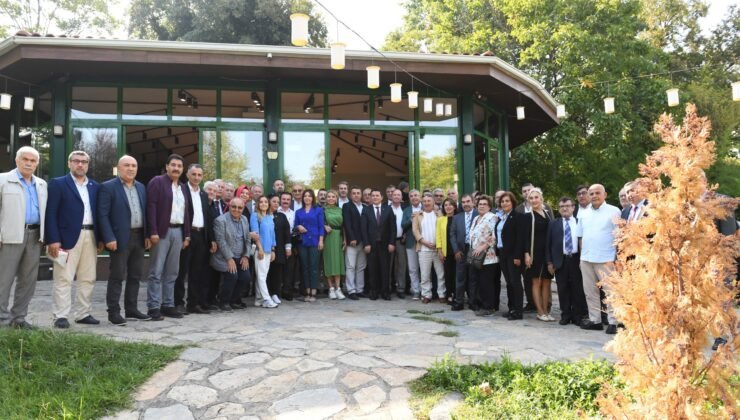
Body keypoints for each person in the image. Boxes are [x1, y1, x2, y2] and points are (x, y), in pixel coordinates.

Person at [46, 150, 102, 328]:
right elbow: (51, 213)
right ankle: (60, 315)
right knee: (64, 277)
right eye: (76, 161)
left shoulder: (95, 186)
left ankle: (83, 313)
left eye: (84, 162)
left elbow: (99, 214)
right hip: (66, 237)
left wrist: (100, 238)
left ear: (88, 165)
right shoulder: (58, 184)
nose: (80, 164)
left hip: (90, 235)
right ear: (69, 163)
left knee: (88, 277)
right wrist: (53, 239)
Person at [98, 155, 152, 325]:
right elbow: (102, 215)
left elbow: (147, 213)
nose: (130, 168)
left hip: (139, 237)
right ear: (119, 168)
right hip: (119, 239)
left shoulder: (141, 187)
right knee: (117, 275)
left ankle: (131, 309)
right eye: (126, 165)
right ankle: (113, 312)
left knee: (136, 275)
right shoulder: (108, 187)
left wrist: (147, 235)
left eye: (134, 165)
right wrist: (108, 237)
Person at [0, 146, 47, 329]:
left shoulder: (41, 184)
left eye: (33, 160)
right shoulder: (3, 180)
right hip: (9, 236)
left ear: (37, 163)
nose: (29, 163)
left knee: (28, 280)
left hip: (35, 236)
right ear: (17, 161)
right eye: (25, 159)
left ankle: (18, 318)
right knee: (4, 279)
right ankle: (2, 319)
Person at [145, 154, 191, 320]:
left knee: (172, 272)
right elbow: (151, 207)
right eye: (173, 165)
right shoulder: (157, 182)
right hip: (161, 232)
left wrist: (187, 234)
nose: (176, 168)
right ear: (167, 167)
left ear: (182, 169)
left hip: (178, 232)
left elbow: (185, 212)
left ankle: (168, 304)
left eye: (179, 166)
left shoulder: (183, 187)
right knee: (156, 271)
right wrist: (153, 231)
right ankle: (153, 306)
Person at [577, 184, 622, 334]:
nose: (594, 196)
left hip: (606, 258)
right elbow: (581, 236)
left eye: (597, 193)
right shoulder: (583, 213)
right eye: (591, 193)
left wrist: (616, 258)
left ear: (605, 195)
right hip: (587, 258)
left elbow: (618, 236)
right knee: (590, 292)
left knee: (610, 292)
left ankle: (613, 322)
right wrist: (582, 257)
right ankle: (595, 320)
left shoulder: (614, 211)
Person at [174, 164, 212, 315]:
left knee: (197, 271)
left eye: (199, 175)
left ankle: (193, 303)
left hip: (201, 235)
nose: (196, 177)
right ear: (188, 175)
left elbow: (207, 217)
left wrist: (210, 239)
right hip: (187, 235)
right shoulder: (182, 190)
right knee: (182, 270)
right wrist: (185, 235)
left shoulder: (203, 194)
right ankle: (178, 303)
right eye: (194, 174)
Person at [546, 196, 588, 326]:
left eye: (568, 206)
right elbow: (548, 244)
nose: (565, 208)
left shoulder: (579, 222)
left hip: (576, 259)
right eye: (562, 207)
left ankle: (577, 315)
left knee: (577, 289)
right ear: (559, 209)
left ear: (573, 208)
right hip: (560, 260)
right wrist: (549, 262)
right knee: (562, 289)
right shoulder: (554, 223)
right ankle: (565, 315)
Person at [211, 197, 251, 311]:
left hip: (240, 256)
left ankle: (234, 300)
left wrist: (246, 256)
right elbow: (221, 241)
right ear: (229, 206)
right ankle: (224, 302)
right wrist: (229, 258)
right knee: (232, 275)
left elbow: (248, 239)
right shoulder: (220, 220)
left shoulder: (244, 219)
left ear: (243, 209)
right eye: (234, 207)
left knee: (246, 277)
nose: (236, 210)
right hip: (224, 257)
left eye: (240, 208)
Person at [522, 188, 555, 322]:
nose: (534, 200)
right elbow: (525, 237)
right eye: (531, 198)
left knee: (547, 282)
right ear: (528, 201)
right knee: (536, 282)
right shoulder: (528, 216)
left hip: (547, 253)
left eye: (536, 197)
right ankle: (540, 312)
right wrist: (526, 254)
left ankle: (546, 311)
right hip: (534, 253)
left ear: (541, 199)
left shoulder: (547, 214)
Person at [362, 189, 396, 300]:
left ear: (382, 197)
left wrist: (392, 242)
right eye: (373, 196)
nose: (375, 197)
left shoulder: (388, 209)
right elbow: (364, 229)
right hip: (371, 245)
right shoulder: (366, 210)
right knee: (372, 269)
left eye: (377, 195)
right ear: (371, 198)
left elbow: (393, 228)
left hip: (385, 245)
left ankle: (385, 292)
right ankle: (373, 292)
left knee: (385, 269)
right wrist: (366, 243)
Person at [495, 191, 525, 320]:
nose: (504, 203)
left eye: (507, 201)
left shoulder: (518, 217)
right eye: (502, 201)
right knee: (508, 282)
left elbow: (520, 238)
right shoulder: (501, 217)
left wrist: (518, 256)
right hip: (502, 254)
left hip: (513, 255)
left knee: (515, 282)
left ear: (512, 202)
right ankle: (511, 308)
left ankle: (518, 311)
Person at [468, 195, 499, 316]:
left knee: (487, 283)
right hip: (476, 256)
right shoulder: (476, 218)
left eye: (484, 204)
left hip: (488, 256)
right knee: (480, 282)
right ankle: (483, 304)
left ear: (490, 207)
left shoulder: (493, 217)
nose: (481, 206)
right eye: (480, 204)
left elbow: (494, 236)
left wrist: (483, 247)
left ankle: (489, 307)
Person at [413, 194, 446, 303]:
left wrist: (438, 244)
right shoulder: (417, 215)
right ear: (422, 203)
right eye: (425, 201)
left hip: (438, 249)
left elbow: (442, 230)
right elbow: (415, 231)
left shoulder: (439, 214)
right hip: (423, 249)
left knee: (440, 274)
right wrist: (424, 241)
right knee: (425, 275)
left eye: (429, 201)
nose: (427, 203)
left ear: (433, 203)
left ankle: (442, 294)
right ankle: (426, 295)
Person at [295, 189, 325, 302]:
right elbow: (295, 226)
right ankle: (307, 291)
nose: (307, 198)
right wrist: (298, 227)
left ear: (313, 198)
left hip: (315, 241)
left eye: (309, 196)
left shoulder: (318, 210)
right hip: (303, 242)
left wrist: (321, 241)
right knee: (305, 267)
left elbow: (321, 226)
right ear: (303, 198)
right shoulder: (298, 212)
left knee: (314, 267)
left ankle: (313, 290)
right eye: (305, 196)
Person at [450, 194, 478, 311]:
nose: (465, 204)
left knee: (473, 277)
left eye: (468, 201)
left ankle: (472, 302)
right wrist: (456, 250)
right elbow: (452, 235)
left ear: (473, 202)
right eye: (463, 202)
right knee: (460, 277)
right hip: (460, 250)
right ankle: (459, 301)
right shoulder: (457, 217)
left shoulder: (479, 215)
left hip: (473, 250)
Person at [251, 195, 278, 308]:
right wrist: (260, 249)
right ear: (258, 204)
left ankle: (258, 299)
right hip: (259, 250)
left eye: (265, 202)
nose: (263, 204)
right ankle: (267, 299)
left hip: (268, 250)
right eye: (261, 202)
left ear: (268, 204)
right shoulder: (254, 216)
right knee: (262, 276)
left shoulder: (269, 217)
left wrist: (273, 250)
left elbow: (273, 235)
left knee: (262, 275)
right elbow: (255, 234)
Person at [343, 186, 367, 300]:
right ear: (350, 195)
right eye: (354, 193)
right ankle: (351, 290)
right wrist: (351, 238)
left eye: (358, 193)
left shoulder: (366, 207)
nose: (356, 195)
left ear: (361, 195)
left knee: (361, 266)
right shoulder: (347, 206)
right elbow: (347, 223)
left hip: (364, 241)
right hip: (352, 241)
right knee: (351, 266)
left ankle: (359, 289)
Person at [268, 194, 291, 304]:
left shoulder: (281, 216)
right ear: (269, 202)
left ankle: (275, 294)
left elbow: (287, 233)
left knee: (277, 272)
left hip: (279, 249)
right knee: (266, 273)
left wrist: (288, 247)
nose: (276, 203)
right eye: (274, 201)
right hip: (266, 249)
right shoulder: (262, 215)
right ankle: (266, 294)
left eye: (278, 202)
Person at [322, 190, 346, 299]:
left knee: (338, 262)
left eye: (333, 197)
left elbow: (344, 225)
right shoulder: (323, 210)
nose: (331, 198)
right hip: (328, 237)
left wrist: (345, 239)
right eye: (329, 197)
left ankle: (338, 288)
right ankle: (331, 289)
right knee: (329, 261)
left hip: (339, 236)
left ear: (336, 198)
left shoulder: (341, 210)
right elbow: (318, 222)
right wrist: (324, 226)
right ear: (326, 199)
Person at [401, 189, 423, 299]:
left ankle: (425, 290)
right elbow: (403, 225)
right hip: (410, 242)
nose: (414, 197)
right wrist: (411, 219)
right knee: (413, 268)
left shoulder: (426, 207)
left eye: (416, 195)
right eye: (411, 196)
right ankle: (416, 290)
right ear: (409, 198)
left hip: (424, 242)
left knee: (424, 268)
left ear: (420, 197)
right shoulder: (406, 210)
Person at [278, 191, 299, 300]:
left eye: (288, 199)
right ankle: (276, 290)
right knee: (278, 267)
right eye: (283, 199)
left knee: (290, 268)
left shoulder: (294, 213)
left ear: (290, 201)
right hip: (278, 241)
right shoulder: (275, 212)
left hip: (291, 241)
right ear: (280, 200)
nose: (285, 201)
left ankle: (287, 290)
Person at [437, 198, 458, 304]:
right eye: (446, 205)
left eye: (450, 205)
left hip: (457, 252)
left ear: (454, 206)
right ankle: (449, 295)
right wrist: (440, 250)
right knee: (448, 274)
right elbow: (438, 236)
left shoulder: (458, 218)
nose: (448, 207)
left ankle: (457, 295)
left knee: (457, 275)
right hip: (446, 251)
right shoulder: (440, 219)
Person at [389, 189, 407, 299]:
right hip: (389, 241)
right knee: (388, 265)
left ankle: (401, 288)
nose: (396, 196)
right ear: (391, 196)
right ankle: (387, 287)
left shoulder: (405, 208)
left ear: (401, 197)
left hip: (401, 240)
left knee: (401, 265)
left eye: (398, 195)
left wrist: (405, 234)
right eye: (394, 194)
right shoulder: (386, 208)